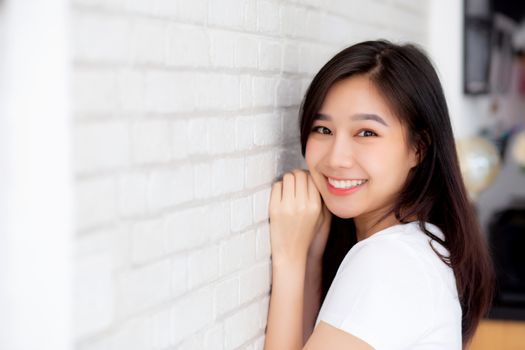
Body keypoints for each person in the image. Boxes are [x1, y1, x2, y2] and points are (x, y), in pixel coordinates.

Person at [264, 40, 495, 350]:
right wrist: (310, 260)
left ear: (418, 148)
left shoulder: (391, 261)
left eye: (366, 133)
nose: (336, 158)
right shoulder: (421, 245)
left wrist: (289, 259)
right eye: (323, 129)